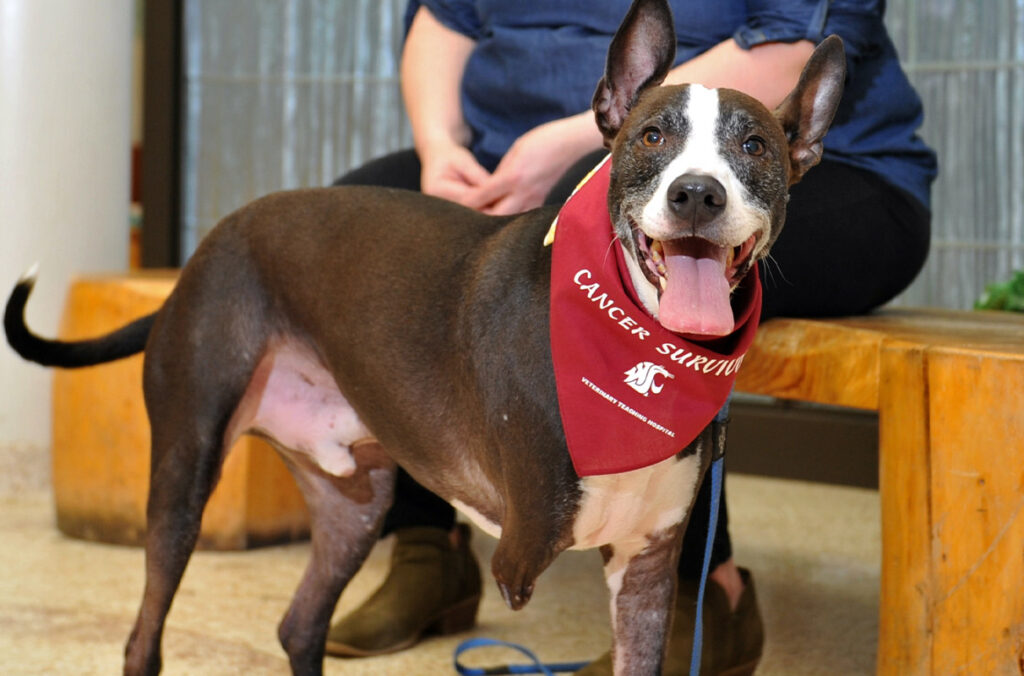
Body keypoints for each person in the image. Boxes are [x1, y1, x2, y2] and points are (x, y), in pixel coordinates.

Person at [324, 1, 937, 674]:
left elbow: (793, 44)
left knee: (597, 226)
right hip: (563, 151)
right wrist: (440, 148)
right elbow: (447, 19)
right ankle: (426, 544)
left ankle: (701, 592)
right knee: (363, 213)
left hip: (826, 176)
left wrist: (584, 141)